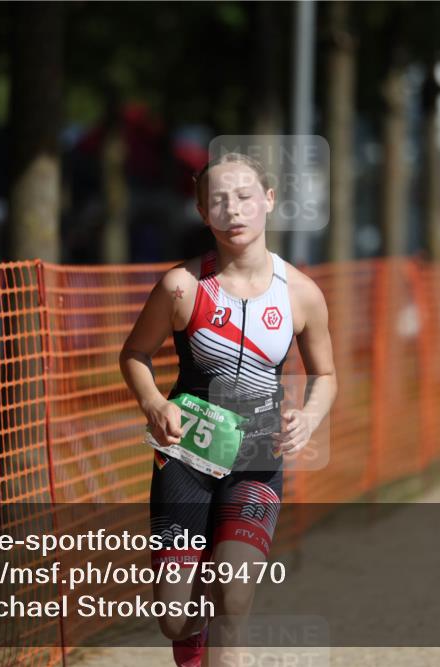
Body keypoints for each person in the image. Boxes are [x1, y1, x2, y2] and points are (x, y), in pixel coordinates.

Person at [119, 152, 337, 666]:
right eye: (218, 200)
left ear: (268, 200)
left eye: (243, 197)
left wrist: (308, 417)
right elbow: (133, 353)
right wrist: (152, 401)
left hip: (257, 461)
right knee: (175, 618)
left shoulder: (302, 295)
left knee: (233, 599)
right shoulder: (182, 287)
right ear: (202, 212)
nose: (233, 210)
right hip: (186, 457)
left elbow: (326, 375)